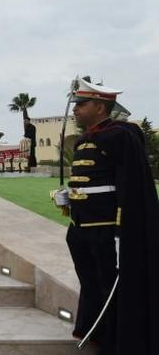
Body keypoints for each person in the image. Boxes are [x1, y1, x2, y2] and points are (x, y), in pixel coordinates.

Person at [55, 78, 158, 354]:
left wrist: (121, 229)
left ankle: (116, 340)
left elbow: (129, 185)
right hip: (81, 226)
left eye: (82, 104)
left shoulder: (120, 135)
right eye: (75, 104)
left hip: (106, 227)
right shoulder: (84, 139)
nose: (75, 110)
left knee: (110, 284)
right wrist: (69, 196)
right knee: (90, 281)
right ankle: (95, 330)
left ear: (100, 107)